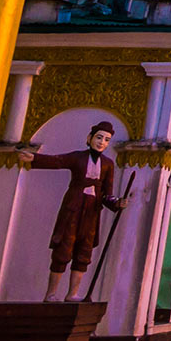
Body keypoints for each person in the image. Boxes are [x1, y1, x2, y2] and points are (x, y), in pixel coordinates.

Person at [31, 122, 126, 301]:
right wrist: (33, 159)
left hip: (91, 213)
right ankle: (51, 294)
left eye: (106, 140)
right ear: (89, 138)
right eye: (99, 138)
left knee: (84, 251)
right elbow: (57, 161)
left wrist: (117, 203)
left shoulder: (107, 164)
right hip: (73, 209)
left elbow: (107, 194)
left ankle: (72, 294)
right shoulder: (78, 158)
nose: (101, 142)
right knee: (63, 249)